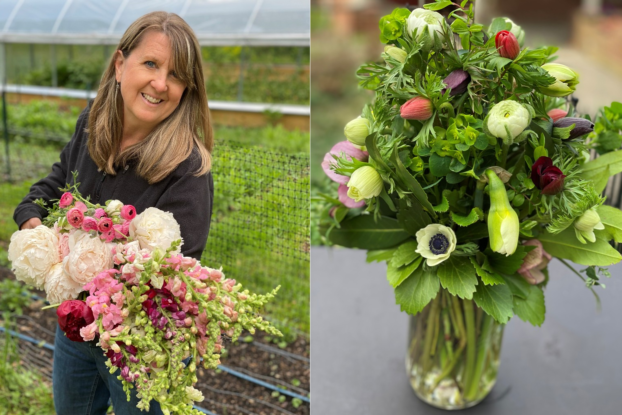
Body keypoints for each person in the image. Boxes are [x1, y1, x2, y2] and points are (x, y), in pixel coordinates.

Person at [12, 11, 213, 415]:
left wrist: (78, 263)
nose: (160, 84)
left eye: (176, 75)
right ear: (120, 65)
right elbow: (52, 190)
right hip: (77, 333)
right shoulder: (92, 124)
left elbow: (175, 270)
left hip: (143, 348)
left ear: (186, 89)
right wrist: (32, 222)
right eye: (151, 64)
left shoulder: (187, 166)